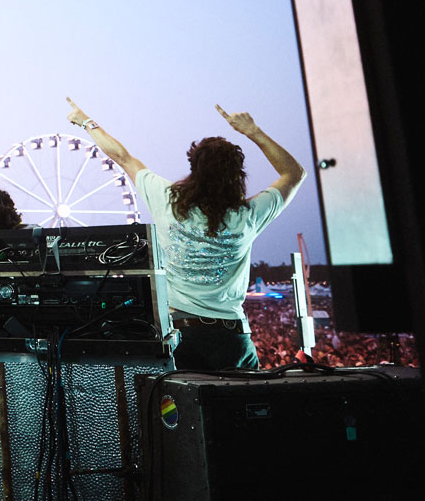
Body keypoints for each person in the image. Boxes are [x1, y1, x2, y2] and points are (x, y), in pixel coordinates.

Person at [65, 98, 305, 370]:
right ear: (237, 175)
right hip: (233, 338)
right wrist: (253, 132)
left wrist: (86, 121)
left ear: (194, 170)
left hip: (181, 336)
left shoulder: (167, 200)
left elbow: (122, 157)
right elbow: (294, 173)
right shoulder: (247, 216)